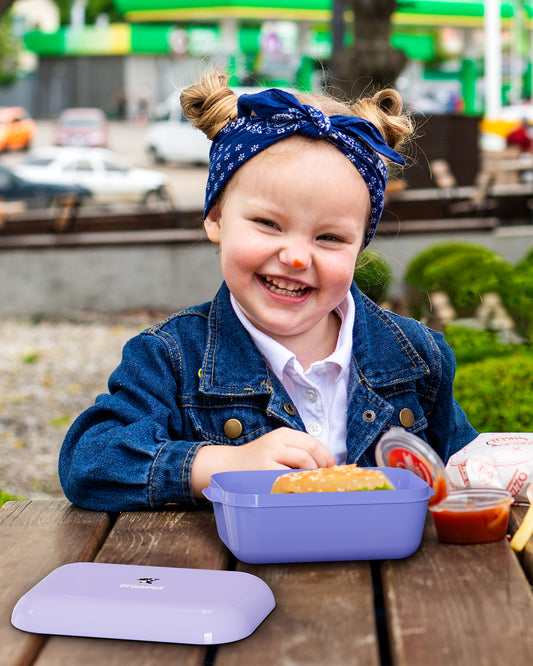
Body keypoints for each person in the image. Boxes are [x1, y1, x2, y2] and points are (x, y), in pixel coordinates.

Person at [58, 71, 477, 511]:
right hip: (233, 573)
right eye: (268, 224)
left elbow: (467, 469)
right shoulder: (172, 358)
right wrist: (218, 464)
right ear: (217, 217)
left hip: (389, 576)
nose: (297, 257)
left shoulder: (416, 356)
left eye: (330, 238)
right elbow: (88, 463)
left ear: (360, 247)